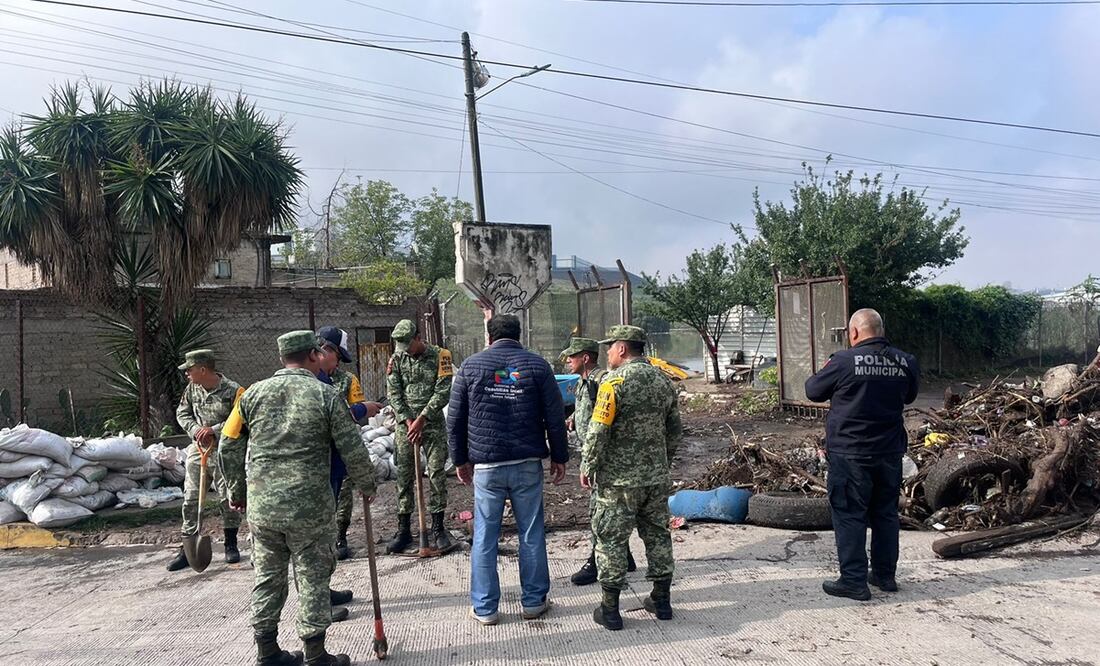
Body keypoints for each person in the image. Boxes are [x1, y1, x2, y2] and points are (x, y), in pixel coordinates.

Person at [219, 331, 378, 666]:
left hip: (264, 507)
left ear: (281, 358)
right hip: (309, 507)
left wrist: (237, 490)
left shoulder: (251, 396)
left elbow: (228, 442)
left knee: (267, 576)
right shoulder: (326, 395)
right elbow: (351, 445)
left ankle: (268, 651)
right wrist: (367, 483)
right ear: (313, 356)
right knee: (312, 575)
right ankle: (316, 654)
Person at [448, 313, 568, 625]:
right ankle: (533, 603)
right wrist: (560, 456)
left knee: (485, 536)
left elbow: (455, 420)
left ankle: (485, 609)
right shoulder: (538, 366)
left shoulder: (470, 367)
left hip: (486, 467)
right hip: (527, 464)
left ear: (489, 337)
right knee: (531, 533)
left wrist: (460, 460)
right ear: (520, 335)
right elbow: (555, 417)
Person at [805, 308, 920, 601]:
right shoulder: (905, 361)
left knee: (849, 514)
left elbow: (812, 391)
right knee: (885, 513)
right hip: (889, 453)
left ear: (854, 333)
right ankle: (885, 576)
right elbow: (909, 396)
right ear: (880, 330)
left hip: (851, 453)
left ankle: (854, 581)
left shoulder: (843, 361)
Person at [581, 325, 682, 631]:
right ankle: (662, 601)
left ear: (623, 349)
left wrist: (588, 465)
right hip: (655, 477)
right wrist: (660, 461)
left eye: (611, 347)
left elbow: (599, 429)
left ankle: (610, 609)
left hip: (619, 482)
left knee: (611, 539)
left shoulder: (614, 382)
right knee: (657, 536)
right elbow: (674, 430)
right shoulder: (664, 382)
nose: (608, 352)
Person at [560, 337, 636, 586]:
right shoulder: (585, 382)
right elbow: (588, 408)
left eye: (572, 356)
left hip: (602, 458)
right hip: (590, 451)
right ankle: (625, 555)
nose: (567, 360)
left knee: (599, 513)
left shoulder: (601, 380)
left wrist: (593, 460)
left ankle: (596, 561)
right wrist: (573, 418)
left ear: (586, 358)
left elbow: (608, 416)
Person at [167, 349, 244, 572]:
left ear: (202, 369)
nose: (187, 375)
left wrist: (214, 430)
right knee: (190, 498)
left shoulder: (233, 390)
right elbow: (183, 413)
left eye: (189, 370)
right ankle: (187, 548)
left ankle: (231, 544)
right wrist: (196, 430)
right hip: (198, 449)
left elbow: (240, 417)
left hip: (224, 451)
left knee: (227, 498)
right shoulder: (192, 389)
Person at [385, 319, 454, 554]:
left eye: (408, 344)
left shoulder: (441, 356)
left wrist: (422, 418)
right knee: (404, 476)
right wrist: (407, 420)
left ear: (418, 337)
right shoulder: (397, 359)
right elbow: (394, 392)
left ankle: (437, 528)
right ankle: (403, 530)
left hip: (432, 424)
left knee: (436, 474)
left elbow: (443, 390)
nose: (406, 350)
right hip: (406, 427)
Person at [316, 325, 382, 561]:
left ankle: (339, 538)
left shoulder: (345, 379)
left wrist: (362, 409)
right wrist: (363, 409)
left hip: (336, 455)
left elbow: (352, 418)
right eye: (338, 358)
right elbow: (344, 415)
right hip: (321, 460)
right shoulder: (312, 382)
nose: (338, 365)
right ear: (326, 350)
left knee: (339, 500)